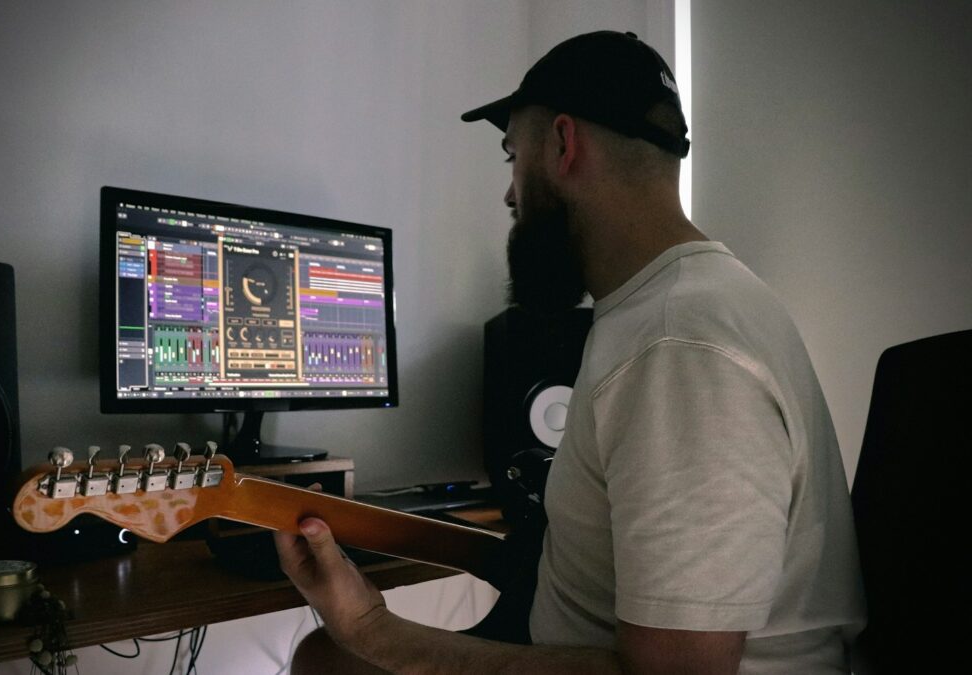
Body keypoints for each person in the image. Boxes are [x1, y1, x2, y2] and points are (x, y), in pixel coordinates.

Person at [274, 30, 866, 674]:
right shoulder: (654, 310)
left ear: (562, 144)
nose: (508, 194)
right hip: (566, 639)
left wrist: (370, 625)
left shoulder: (677, 347)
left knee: (330, 660)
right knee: (327, 660)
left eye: (511, 157)